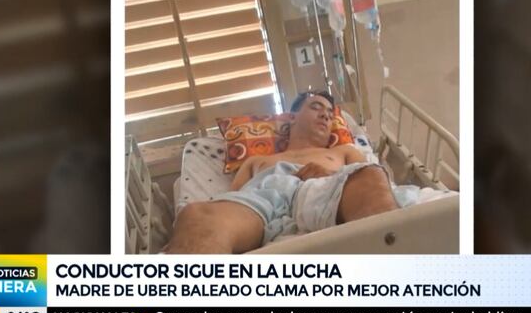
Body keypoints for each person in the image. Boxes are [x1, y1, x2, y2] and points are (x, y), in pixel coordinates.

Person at [166, 91, 399, 254]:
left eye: (330, 113)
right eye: (316, 107)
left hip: (327, 191)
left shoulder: (343, 151)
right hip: (265, 200)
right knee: (197, 217)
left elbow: (366, 177)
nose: (326, 115)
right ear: (292, 117)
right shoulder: (256, 161)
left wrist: (329, 174)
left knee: (372, 178)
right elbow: (232, 200)